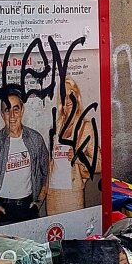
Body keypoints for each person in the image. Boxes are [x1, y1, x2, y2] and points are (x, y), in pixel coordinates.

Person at [0, 87, 49, 225]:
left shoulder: (35, 139)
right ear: (1, 114)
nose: (12, 116)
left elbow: (46, 169)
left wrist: (39, 200)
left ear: (22, 110)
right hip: (3, 211)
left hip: (28, 208)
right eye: (7, 110)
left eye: (16, 109)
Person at [47, 78, 97, 214]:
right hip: (52, 192)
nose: (68, 100)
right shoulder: (56, 126)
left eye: (71, 95)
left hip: (72, 193)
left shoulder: (85, 127)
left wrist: (80, 157)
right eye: (64, 95)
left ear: (77, 96)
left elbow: (100, 163)